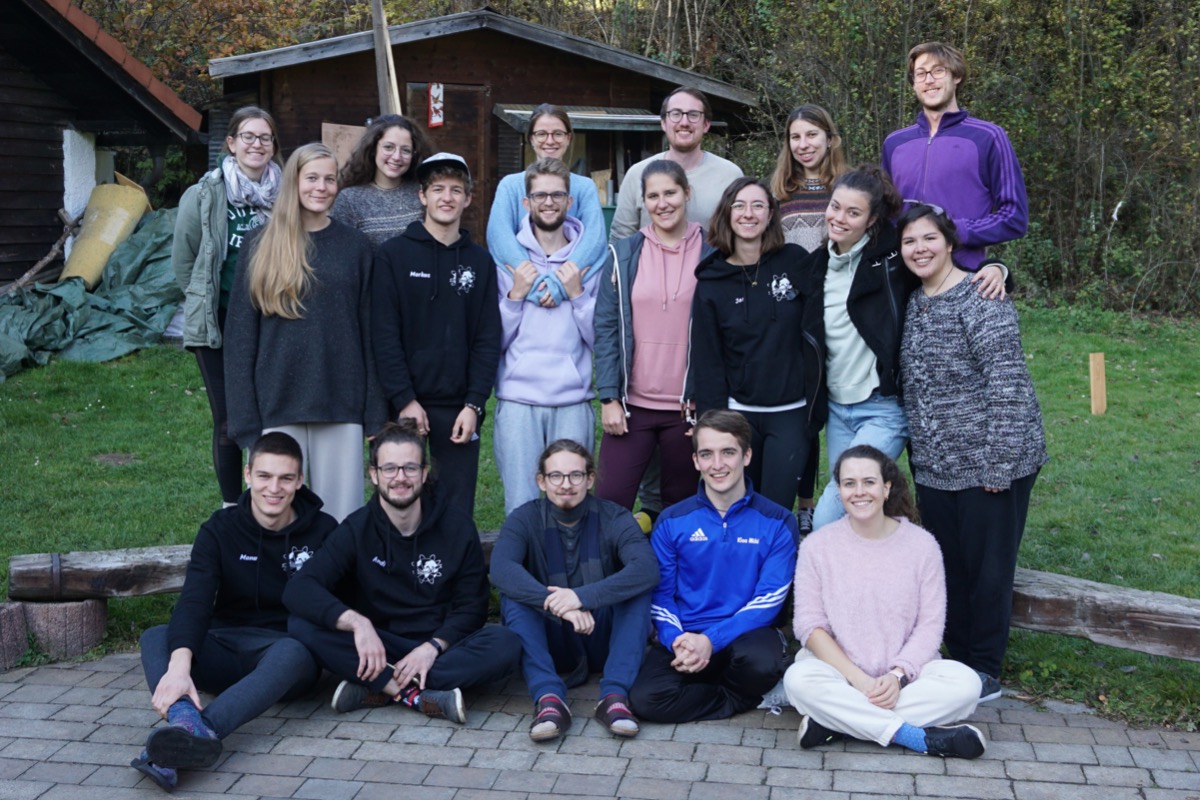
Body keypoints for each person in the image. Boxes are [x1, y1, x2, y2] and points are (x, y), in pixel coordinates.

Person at [130, 432, 337, 792]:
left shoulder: (324, 531)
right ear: (247, 474)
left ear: (300, 480)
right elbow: (195, 600)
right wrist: (179, 667)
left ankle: (198, 730)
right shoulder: (219, 529)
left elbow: (340, 604)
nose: (274, 488)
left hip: (284, 657)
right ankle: (184, 723)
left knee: (293, 651)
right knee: (156, 637)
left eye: (286, 478)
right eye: (264, 476)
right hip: (225, 645)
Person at [897, 204, 1047, 701]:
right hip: (935, 467)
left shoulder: (981, 296)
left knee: (988, 572)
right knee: (949, 567)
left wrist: (998, 465)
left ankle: (984, 670)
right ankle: (955, 661)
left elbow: (1008, 383)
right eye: (909, 241)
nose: (919, 249)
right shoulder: (913, 300)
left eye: (928, 238)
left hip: (991, 461)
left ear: (950, 242)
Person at [283, 420, 522, 723]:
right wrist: (358, 624)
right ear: (374, 474)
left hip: (439, 647)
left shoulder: (457, 526)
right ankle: (416, 695)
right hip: (378, 645)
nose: (400, 478)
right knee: (301, 625)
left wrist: (433, 647)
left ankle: (380, 686)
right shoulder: (357, 528)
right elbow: (300, 588)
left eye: (410, 468)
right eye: (390, 469)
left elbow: (472, 607)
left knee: (506, 643)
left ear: (424, 473)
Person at [783, 445, 987, 760]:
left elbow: (930, 625)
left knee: (967, 685)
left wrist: (897, 675)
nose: (859, 492)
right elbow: (809, 626)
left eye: (869, 482)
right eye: (849, 483)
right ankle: (917, 738)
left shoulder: (922, 546)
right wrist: (859, 680)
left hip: (907, 677)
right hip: (839, 672)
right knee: (798, 680)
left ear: (886, 487)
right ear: (839, 491)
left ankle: (838, 723)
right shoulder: (817, 546)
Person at [224, 142, 383, 523]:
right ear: (293, 182)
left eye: (330, 179)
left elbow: (371, 334)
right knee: (276, 519)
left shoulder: (357, 247)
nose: (321, 187)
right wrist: (245, 420)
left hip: (341, 401)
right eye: (312, 178)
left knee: (341, 520)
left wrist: (376, 412)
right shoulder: (259, 244)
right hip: (277, 400)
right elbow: (240, 338)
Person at [628, 409, 797, 723]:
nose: (717, 464)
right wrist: (677, 640)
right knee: (645, 699)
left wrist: (711, 640)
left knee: (760, 664)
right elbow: (661, 597)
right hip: (687, 635)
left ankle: (736, 686)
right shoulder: (672, 520)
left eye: (728, 452)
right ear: (696, 461)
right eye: (707, 454)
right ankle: (746, 697)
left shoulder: (777, 521)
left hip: (747, 634)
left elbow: (769, 601)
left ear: (747, 456)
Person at [490, 440, 659, 741]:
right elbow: (501, 569)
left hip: (603, 637)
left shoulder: (615, 517)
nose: (566, 484)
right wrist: (559, 604)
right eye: (556, 476)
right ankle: (549, 699)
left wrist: (581, 597)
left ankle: (614, 697)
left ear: (590, 479)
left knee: (637, 591)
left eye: (575, 475)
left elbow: (646, 568)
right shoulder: (524, 518)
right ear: (541, 481)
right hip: (549, 639)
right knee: (514, 597)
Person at [371, 153, 500, 519]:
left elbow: (487, 338)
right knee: (399, 501)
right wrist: (404, 399)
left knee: (454, 509)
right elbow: (384, 334)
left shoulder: (479, 261)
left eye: (456, 190)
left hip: (459, 407)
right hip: (403, 405)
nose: (447, 197)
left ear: (468, 198)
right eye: (438, 189)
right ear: (422, 196)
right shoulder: (393, 255)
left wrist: (475, 404)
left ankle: (453, 560)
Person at [172, 106, 282, 507]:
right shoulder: (204, 195)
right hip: (217, 322)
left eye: (265, 137)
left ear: (273, 146)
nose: (257, 144)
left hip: (271, 319)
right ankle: (232, 507)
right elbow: (184, 261)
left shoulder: (287, 196)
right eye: (248, 137)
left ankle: (267, 497)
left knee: (268, 413)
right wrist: (206, 300)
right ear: (232, 143)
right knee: (228, 419)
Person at [689, 178, 815, 513]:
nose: (749, 213)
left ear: (770, 214)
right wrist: (711, 425)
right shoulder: (711, 281)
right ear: (727, 213)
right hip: (739, 412)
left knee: (774, 510)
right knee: (737, 507)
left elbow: (819, 328)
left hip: (790, 410)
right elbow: (708, 360)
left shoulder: (795, 261)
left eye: (758, 205)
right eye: (740, 206)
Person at [594, 160, 712, 512]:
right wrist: (609, 397)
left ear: (687, 193)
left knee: (680, 507)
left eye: (670, 193)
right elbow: (606, 327)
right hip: (631, 407)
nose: (663, 203)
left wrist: (710, 407)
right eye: (653, 196)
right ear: (643, 202)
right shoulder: (624, 254)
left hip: (687, 409)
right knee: (609, 501)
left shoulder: (713, 253)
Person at [493, 158, 601, 514]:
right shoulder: (507, 262)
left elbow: (600, 341)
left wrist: (577, 295)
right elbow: (493, 342)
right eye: (540, 195)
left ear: (570, 201)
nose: (549, 202)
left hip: (572, 400)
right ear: (526, 202)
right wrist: (515, 296)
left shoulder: (589, 264)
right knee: (520, 505)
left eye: (557, 195)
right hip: (518, 400)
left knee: (571, 504)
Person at [769, 104, 849, 534]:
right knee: (802, 413)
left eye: (812, 135)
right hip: (790, 314)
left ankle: (842, 497)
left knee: (835, 408)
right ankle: (805, 504)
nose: (804, 145)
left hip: (837, 310)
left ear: (829, 139)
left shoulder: (847, 189)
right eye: (796, 137)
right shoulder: (778, 195)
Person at [882, 41, 1028, 271]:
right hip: (902, 278)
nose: (929, 80)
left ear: (956, 76)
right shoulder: (894, 143)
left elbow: (1014, 217)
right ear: (914, 83)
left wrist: (955, 230)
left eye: (938, 71)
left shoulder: (988, 137)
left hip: (964, 275)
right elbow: (884, 214)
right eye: (921, 74)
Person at [488, 104, 607, 306]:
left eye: (558, 134)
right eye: (541, 134)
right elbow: (499, 238)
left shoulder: (585, 187)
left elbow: (594, 240)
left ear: (568, 138)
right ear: (531, 139)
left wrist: (559, 285)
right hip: (523, 298)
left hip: (572, 297)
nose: (550, 141)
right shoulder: (510, 185)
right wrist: (536, 287)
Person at [610, 86, 744, 241]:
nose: (684, 122)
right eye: (676, 114)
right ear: (663, 123)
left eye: (693, 115)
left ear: (706, 125)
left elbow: (739, 237)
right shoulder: (638, 174)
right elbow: (620, 238)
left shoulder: (730, 175)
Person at [331, 114, 435, 248]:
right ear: (373, 148)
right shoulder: (349, 199)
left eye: (406, 150)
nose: (396, 157)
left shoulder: (422, 193)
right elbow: (340, 250)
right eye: (388, 147)